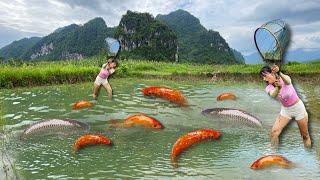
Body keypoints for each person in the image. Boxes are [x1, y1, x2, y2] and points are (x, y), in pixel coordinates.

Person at [260, 65, 311, 148]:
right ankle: (274, 155)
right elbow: (273, 95)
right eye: (263, 77)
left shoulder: (284, 79)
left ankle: (308, 154)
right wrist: (278, 88)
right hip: (286, 110)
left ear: (272, 73)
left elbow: (288, 81)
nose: (264, 79)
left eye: (265, 76)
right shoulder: (268, 87)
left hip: (298, 108)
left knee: (305, 136)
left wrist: (279, 72)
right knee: (274, 132)